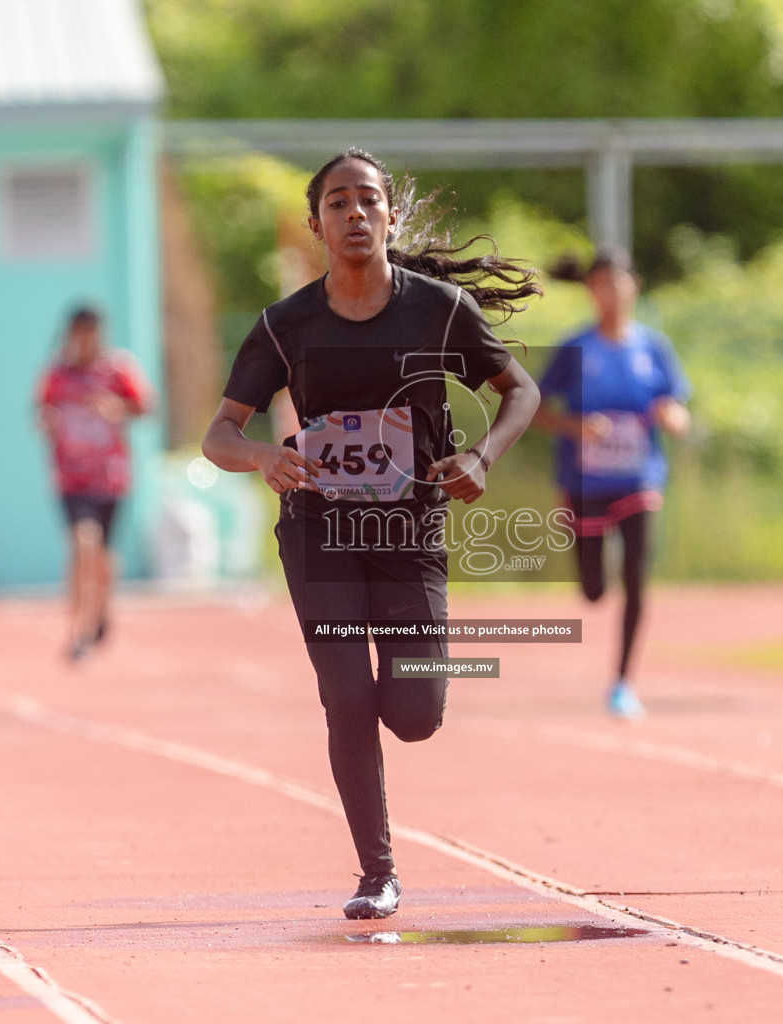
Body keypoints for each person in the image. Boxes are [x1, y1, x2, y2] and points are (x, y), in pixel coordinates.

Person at [202, 148, 541, 920]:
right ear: (316, 223)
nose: (354, 215)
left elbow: (519, 390)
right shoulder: (284, 326)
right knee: (346, 696)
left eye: (367, 201)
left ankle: (386, 706)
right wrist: (262, 456)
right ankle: (375, 873)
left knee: (416, 714)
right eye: (337, 204)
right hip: (319, 529)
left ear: (389, 215)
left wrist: (482, 454)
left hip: (408, 529)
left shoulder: (439, 310)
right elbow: (218, 434)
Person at [534, 247, 690, 720]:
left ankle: (623, 682)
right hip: (584, 482)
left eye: (619, 283)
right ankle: (592, 575)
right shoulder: (574, 348)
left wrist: (671, 417)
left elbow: (677, 408)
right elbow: (536, 409)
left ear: (633, 287)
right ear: (591, 291)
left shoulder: (653, 348)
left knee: (638, 577)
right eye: (602, 284)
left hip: (639, 478)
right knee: (594, 589)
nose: (612, 293)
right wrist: (576, 428)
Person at [36, 305, 152, 662]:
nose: (84, 341)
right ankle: (78, 630)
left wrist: (116, 408)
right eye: (78, 333)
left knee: (101, 553)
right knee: (82, 545)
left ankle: (101, 608)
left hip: (110, 477)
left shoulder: (118, 369)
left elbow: (145, 407)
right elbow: (41, 412)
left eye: (91, 333)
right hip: (71, 477)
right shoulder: (57, 372)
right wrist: (49, 422)